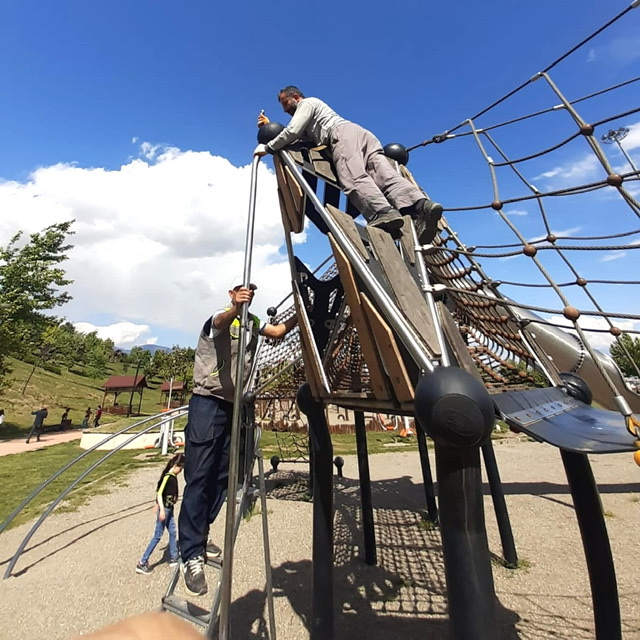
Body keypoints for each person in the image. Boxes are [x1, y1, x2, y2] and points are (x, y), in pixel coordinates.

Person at [178, 277, 298, 597]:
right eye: (242, 290)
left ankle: (200, 537)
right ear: (231, 293)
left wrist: (302, 311)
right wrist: (235, 307)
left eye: (252, 291)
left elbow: (277, 332)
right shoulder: (220, 318)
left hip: (237, 407)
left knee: (225, 475)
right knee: (199, 476)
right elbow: (221, 320)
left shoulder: (253, 323)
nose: (249, 294)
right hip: (208, 402)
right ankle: (190, 553)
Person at [254, 85, 443, 244]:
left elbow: (293, 130)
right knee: (384, 175)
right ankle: (421, 206)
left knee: (353, 177)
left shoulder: (307, 103)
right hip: (362, 135)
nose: (285, 110)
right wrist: (269, 126)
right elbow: (300, 137)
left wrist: (269, 147)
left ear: (295, 96)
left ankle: (383, 213)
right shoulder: (313, 116)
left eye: (285, 103)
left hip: (342, 135)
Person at [136, 453, 185, 575]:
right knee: (157, 535)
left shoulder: (172, 476)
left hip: (169, 509)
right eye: (181, 468)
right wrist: (161, 509)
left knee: (173, 531)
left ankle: (174, 557)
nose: (181, 471)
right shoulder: (168, 477)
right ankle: (142, 562)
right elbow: (159, 492)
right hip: (165, 510)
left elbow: (161, 493)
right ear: (176, 466)